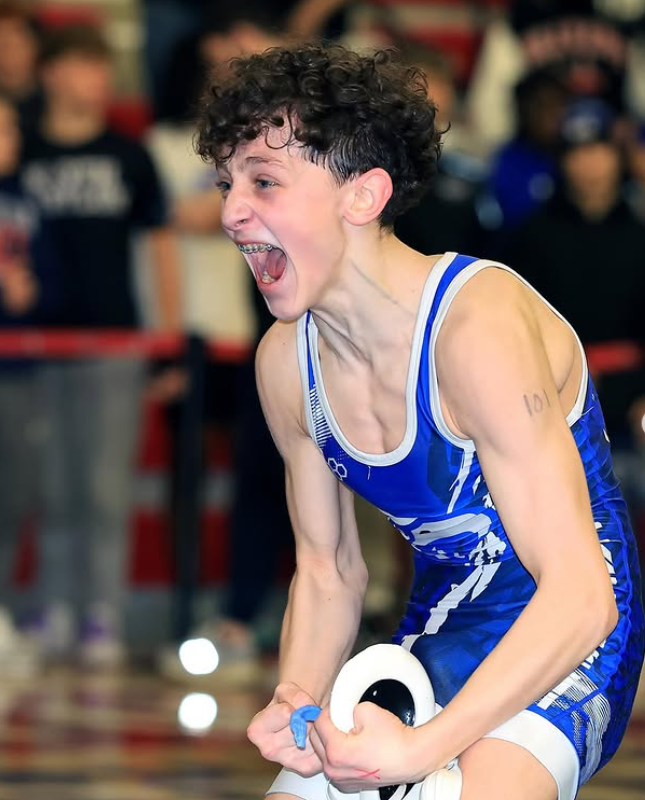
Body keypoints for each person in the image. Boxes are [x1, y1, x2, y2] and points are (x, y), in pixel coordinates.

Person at [196, 42, 644, 799]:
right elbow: (329, 571)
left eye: (263, 181)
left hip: (573, 631)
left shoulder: (475, 327)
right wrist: (297, 699)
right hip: (444, 623)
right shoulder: (285, 363)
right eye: (226, 183)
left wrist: (425, 749)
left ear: (362, 196)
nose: (231, 212)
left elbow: (581, 593)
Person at [20, 24, 182, 668]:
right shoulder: (22, 151)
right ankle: (54, 607)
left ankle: (102, 615)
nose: (98, 80)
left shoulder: (128, 154)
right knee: (50, 483)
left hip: (114, 341)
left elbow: (159, 246)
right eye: (84, 66)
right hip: (34, 346)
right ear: (51, 74)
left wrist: (168, 339)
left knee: (106, 485)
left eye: (102, 68)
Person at [0, 92, 58, 675]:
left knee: (13, 496)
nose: (9, 140)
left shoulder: (26, 198)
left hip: (17, 370)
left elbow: (53, 278)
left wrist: (32, 289)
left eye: (12, 129)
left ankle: (4, 614)